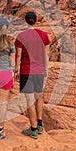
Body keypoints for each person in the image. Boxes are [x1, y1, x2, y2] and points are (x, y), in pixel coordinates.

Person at [14, 11, 50, 139]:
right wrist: (46, 69)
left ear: (25, 21)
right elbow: (46, 54)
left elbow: (18, 55)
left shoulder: (21, 36)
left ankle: (33, 129)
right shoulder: (44, 35)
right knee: (39, 97)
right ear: (36, 21)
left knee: (30, 101)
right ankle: (40, 124)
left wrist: (15, 70)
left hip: (26, 71)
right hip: (39, 71)